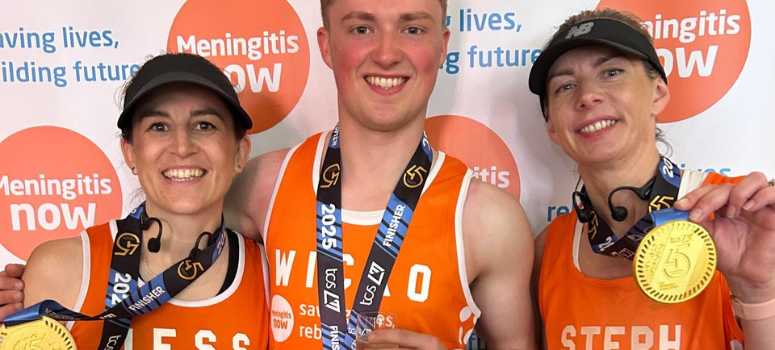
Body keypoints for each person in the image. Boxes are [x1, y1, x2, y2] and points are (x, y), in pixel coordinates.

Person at [1, 1, 536, 349]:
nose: (387, 52)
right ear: (326, 45)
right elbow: (172, 216)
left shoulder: (489, 219)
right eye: (361, 27)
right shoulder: (265, 184)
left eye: (412, 27)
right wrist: (49, 279)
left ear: (443, 44)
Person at [529, 9, 775, 349]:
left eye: (611, 72)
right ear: (551, 125)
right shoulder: (547, 249)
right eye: (565, 86)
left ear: (658, 93)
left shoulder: (744, 214)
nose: (587, 96)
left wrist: (760, 292)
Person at [6, 53, 269, 349]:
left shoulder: (273, 278)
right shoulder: (59, 270)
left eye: (205, 125)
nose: (182, 147)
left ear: (239, 153)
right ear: (130, 152)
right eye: (159, 126)